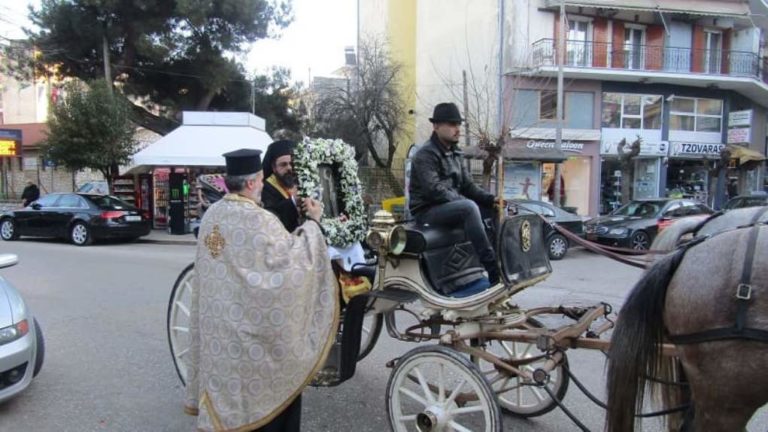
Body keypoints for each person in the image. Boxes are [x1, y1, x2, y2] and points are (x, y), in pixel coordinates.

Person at [184, 149, 337, 432]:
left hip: (220, 340)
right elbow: (293, 264)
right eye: (260, 182)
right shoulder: (260, 221)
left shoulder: (211, 216)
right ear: (253, 183)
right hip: (250, 343)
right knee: (279, 375)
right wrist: (314, 222)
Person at [409, 102, 500, 284]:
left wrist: (492, 200)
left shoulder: (456, 153)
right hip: (427, 212)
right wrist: (464, 202)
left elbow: (468, 186)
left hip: (449, 207)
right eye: (451, 124)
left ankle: (499, 260)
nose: (457, 129)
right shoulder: (425, 155)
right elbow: (435, 191)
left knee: (495, 210)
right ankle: (492, 268)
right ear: (436, 126)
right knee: (468, 207)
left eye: (458, 124)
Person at [261, 140, 301, 232]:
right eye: (283, 164)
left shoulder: (299, 182)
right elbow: (272, 216)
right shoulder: (265, 188)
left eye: (292, 163)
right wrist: (293, 201)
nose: (289, 168)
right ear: (274, 168)